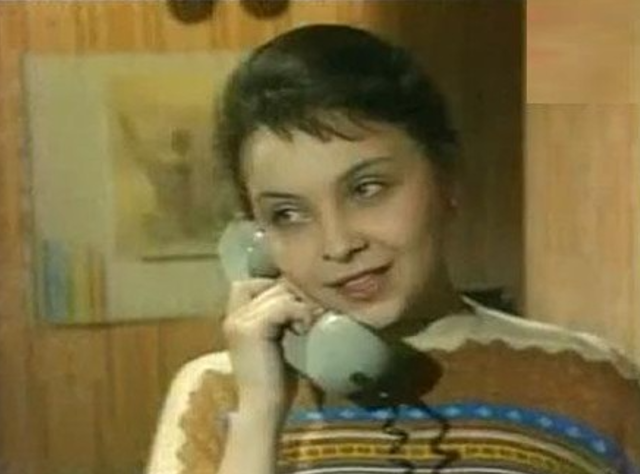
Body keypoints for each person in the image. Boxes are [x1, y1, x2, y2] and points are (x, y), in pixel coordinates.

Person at [146, 24, 640, 474]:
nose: (339, 245)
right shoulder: (216, 395)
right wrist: (259, 412)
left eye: (367, 188)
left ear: (445, 177)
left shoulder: (593, 384)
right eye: (288, 214)